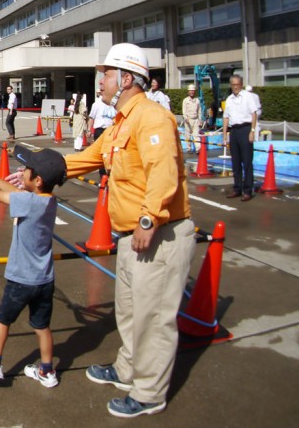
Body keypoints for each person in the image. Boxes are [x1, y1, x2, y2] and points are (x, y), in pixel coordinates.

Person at [62, 43, 193, 418]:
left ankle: (150, 393)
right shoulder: (121, 123)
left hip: (159, 234)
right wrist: (39, 171)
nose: (100, 81)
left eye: (106, 74)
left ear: (127, 79)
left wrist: (149, 219)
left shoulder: (152, 118)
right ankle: (126, 370)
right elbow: (84, 159)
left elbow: (163, 173)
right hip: (131, 235)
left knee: (154, 317)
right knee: (131, 310)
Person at [0, 145, 67, 389]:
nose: (22, 172)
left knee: (3, 320)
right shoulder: (49, 200)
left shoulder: (28, 202)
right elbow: (13, 192)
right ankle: (46, 371)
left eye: (27, 170)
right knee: (42, 327)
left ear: (38, 180)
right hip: (44, 280)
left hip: (21, 279)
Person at [222, 74, 261, 201]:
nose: (235, 87)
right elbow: (226, 117)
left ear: (241, 84)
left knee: (247, 161)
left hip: (245, 129)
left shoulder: (248, 96)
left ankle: (248, 190)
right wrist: (224, 134)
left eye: (237, 84)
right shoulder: (229, 99)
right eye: (233, 85)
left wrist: (252, 131)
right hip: (234, 131)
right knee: (236, 162)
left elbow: (253, 113)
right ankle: (237, 188)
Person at [86, 90, 115, 178]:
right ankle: (102, 173)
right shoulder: (97, 104)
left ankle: (110, 171)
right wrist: (89, 130)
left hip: (111, 129)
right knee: (101, 152)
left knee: (111, 151)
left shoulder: (114, 104)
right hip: (100, 130)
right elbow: (91, 117)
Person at [181, 84, 202, 154]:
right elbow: (184, 110)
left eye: (193, 91)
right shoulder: (185, 100)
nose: (192, 92)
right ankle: (188, 148)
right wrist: (185, 117)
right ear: (188, 92)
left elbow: (199, 111)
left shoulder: (197, 101)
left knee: (196, 134)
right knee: (188, 135)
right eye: (191, 91)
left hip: (195, 120)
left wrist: (200, 120)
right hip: (188, 120)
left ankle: (198, 149)